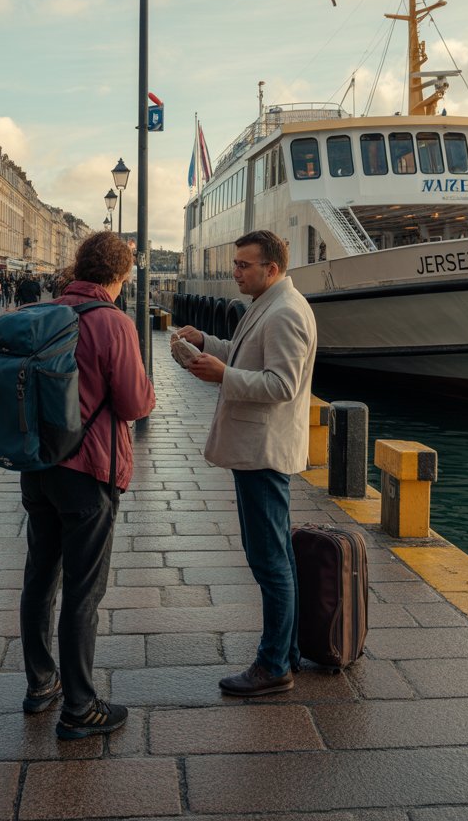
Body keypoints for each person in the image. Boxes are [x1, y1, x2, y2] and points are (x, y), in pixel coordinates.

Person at [19, 231, 155, 740]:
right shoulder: (113, 322)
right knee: (83, 587)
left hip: (39, 467)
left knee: (40, 575)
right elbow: (135, 404)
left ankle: (40, 683)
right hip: (89, 469)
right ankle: (79, 706)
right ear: (118, 277)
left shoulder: (46, 312)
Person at [175, 229, 317, 697]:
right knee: (275, 555)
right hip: (256, 450)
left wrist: (223, 375)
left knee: (269, 559)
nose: (234, 272)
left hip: (264, 452)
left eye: (243, 265)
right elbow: (247, 357)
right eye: (236, 264)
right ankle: (286, 651)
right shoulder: (269, 304)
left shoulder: (286, 313)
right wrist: (207, 344)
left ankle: (273, 664)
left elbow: (282, 385)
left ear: (270, 269)